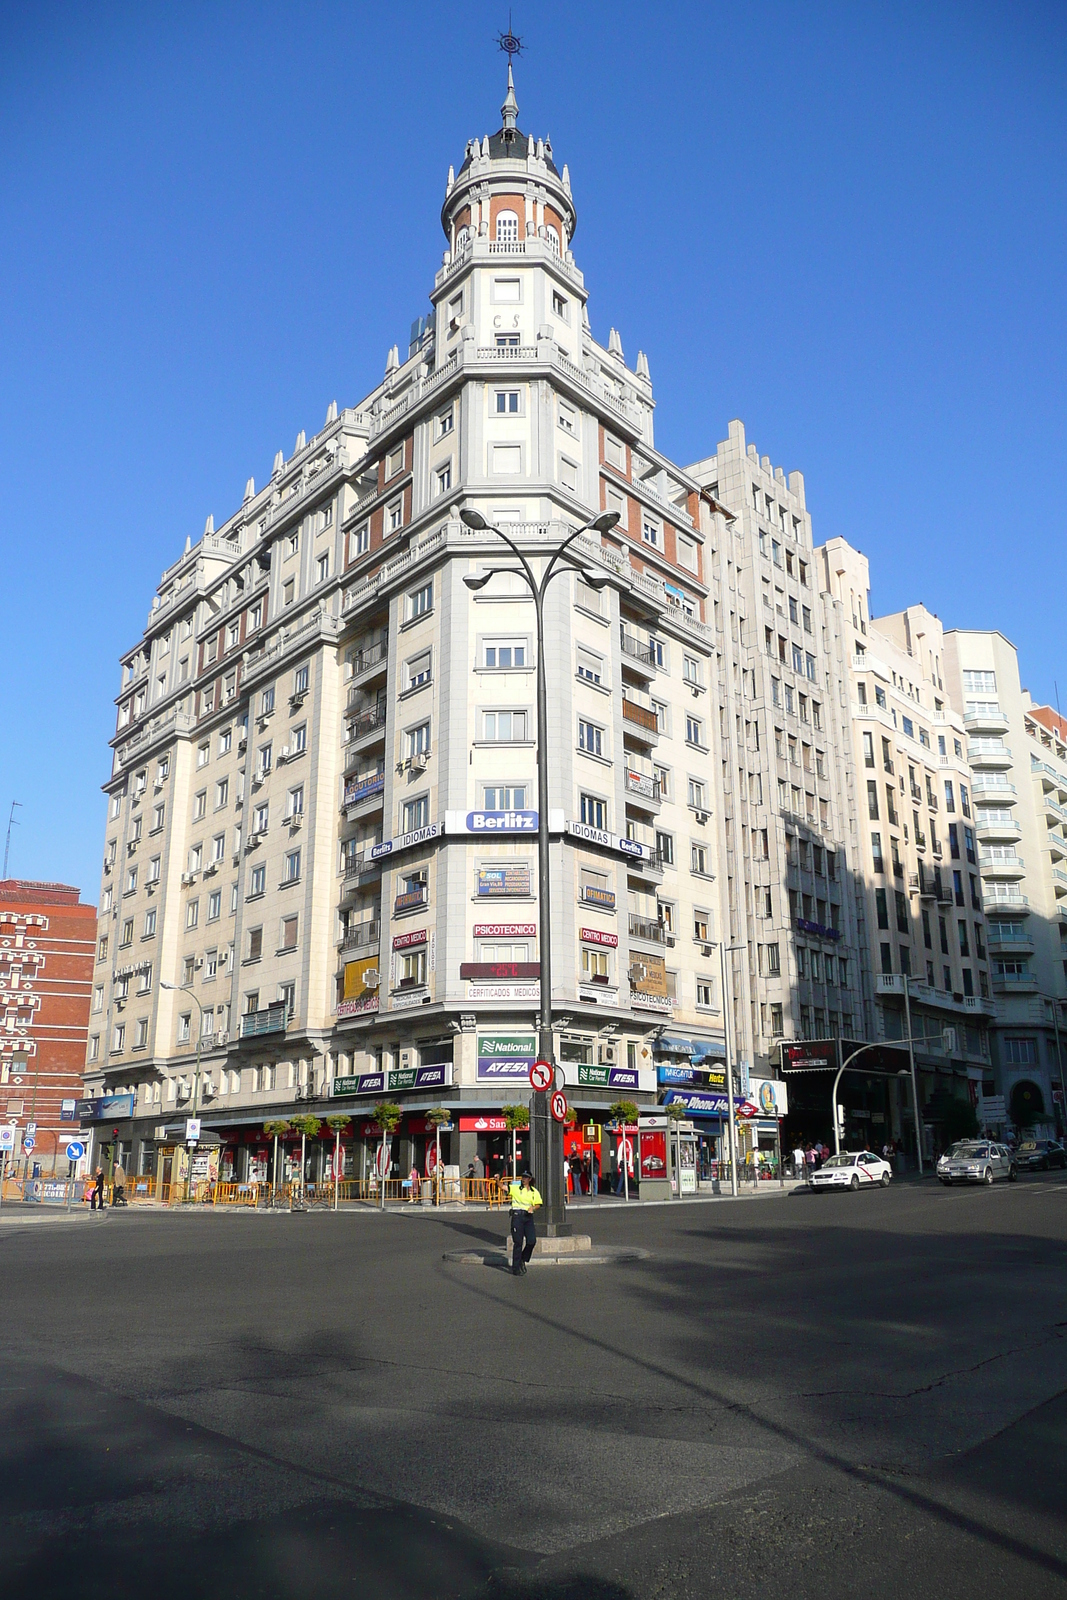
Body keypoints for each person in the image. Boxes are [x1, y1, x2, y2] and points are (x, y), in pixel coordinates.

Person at [507, 1168, 542, 1275]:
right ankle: (516, 1268)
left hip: (528, 1217)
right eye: (523, 1177)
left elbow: (538, 1204)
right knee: (518, 1242)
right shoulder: (516, 1188)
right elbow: (503, 1187)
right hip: (517, 1216)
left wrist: (533, 1208)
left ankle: (523, 1259)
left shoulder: (534, 1191)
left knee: (532, 1241)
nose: (524, 1179)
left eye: (526, 1177)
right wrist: (498, 1180)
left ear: (530, 1179)